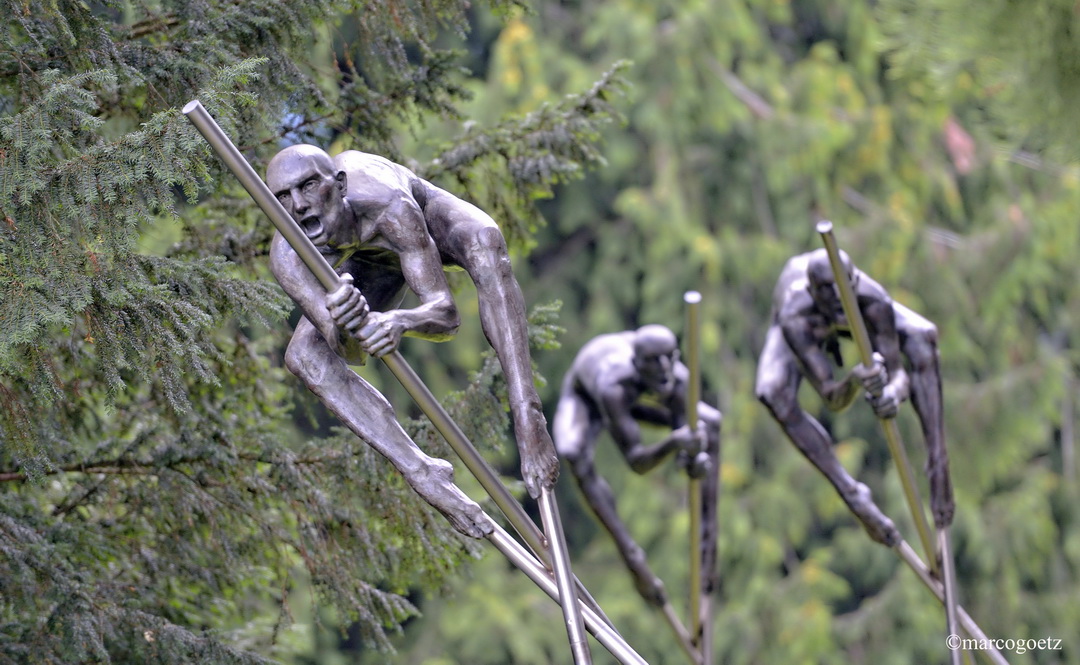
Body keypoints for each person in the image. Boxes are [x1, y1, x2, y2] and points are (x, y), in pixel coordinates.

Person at [264, 144, 560, 535]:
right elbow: (349, 352)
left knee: (485, 244)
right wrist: (346, 322)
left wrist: (400, 321)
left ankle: (528, 413)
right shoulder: (288, 256)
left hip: (421, 227)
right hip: (372, 261)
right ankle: (422, 471)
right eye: (283, 197)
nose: (299, 206)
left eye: (307, 187)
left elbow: (446, 315)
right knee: (303, 355)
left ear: (338, 185)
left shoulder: (388, 204)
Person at [755, 248, 954, 547]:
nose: (836, 299)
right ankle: (852, 494)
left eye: (842, 291)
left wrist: (892, 394)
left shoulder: (872, 300)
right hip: (803, 320)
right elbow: (832, 399)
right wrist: (854, 381)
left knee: (923, 337)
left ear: (854, 281)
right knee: (772, 392)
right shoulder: (795, 314)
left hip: (856, 309)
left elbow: (899, 375)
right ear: (812, 291)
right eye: (826, 294)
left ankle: (938, 463)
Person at [553, 324, 721, 607]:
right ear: (637, 361)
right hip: (589, 398)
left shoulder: (678, 377)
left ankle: (708, 548)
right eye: (654, 362)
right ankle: (632, 558)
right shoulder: (613, 385)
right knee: (573, 452)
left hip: (631, 402)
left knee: (711, 424)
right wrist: (675, 443)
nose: (664, 368)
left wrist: (695, 458)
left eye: (669, 359)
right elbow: (637, 462)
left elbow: (687, 430)